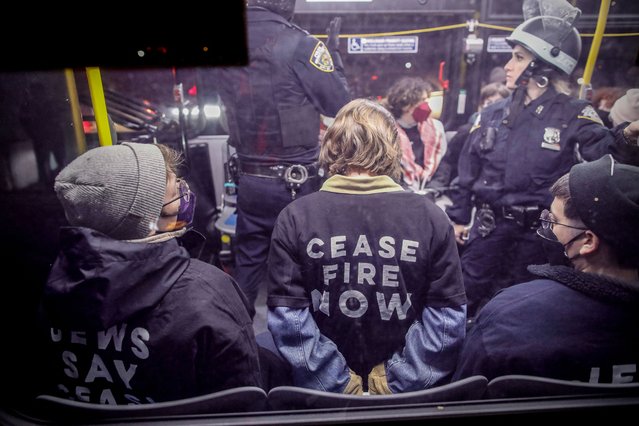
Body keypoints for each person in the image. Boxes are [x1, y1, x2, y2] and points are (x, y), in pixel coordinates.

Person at [446, 5, 639, 319]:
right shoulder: (493, 113)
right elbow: (468, 168)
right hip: (489, 229)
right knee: (461, 301)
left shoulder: (573, 113)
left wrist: (628, 137)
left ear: (541, 69)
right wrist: (457, 216)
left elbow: (603, 150)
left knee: (526, 307)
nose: (508, 65)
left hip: (536, 238)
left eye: (518, 57)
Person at [266, 99, 467, 394]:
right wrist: (397, 380)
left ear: (332, 146)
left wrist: (337, 383)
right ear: (393, 149)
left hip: (320, 399)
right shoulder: (430, 216)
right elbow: (447, 319)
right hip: (407, 401)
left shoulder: (296, 216)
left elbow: (289, 319)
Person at [38, 142, 263, 404]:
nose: (183, 189)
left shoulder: (54, 287)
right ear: (147, 219)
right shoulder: (209, 290)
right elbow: (246, 400)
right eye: (173, 189)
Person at [212, 0, 351, 318]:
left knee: (247, 264)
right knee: (314, 266)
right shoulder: (301, 44)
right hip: (296, 183)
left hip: (248, 179)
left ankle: (234, 336)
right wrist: (335, 57)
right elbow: (342, 107)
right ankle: (312, 349)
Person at [453, 155, 639, 382]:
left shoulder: (510, 318)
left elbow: (464, 396)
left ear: (588, 241)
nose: (548, 228)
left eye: (554, 221)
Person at [429, 82, 510, 192]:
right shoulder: (466, 132)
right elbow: (448, 162)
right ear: (481, 106)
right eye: (489, 103)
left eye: (498, 103)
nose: (493, 108)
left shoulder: (509, 134)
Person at [381, 76, 447, 191]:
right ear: (407, 105)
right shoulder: (387, 132)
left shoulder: (436, 129)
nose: (427, 104)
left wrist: (433, 190)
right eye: (423, 100)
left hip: (430, 190)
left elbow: (444, 165)